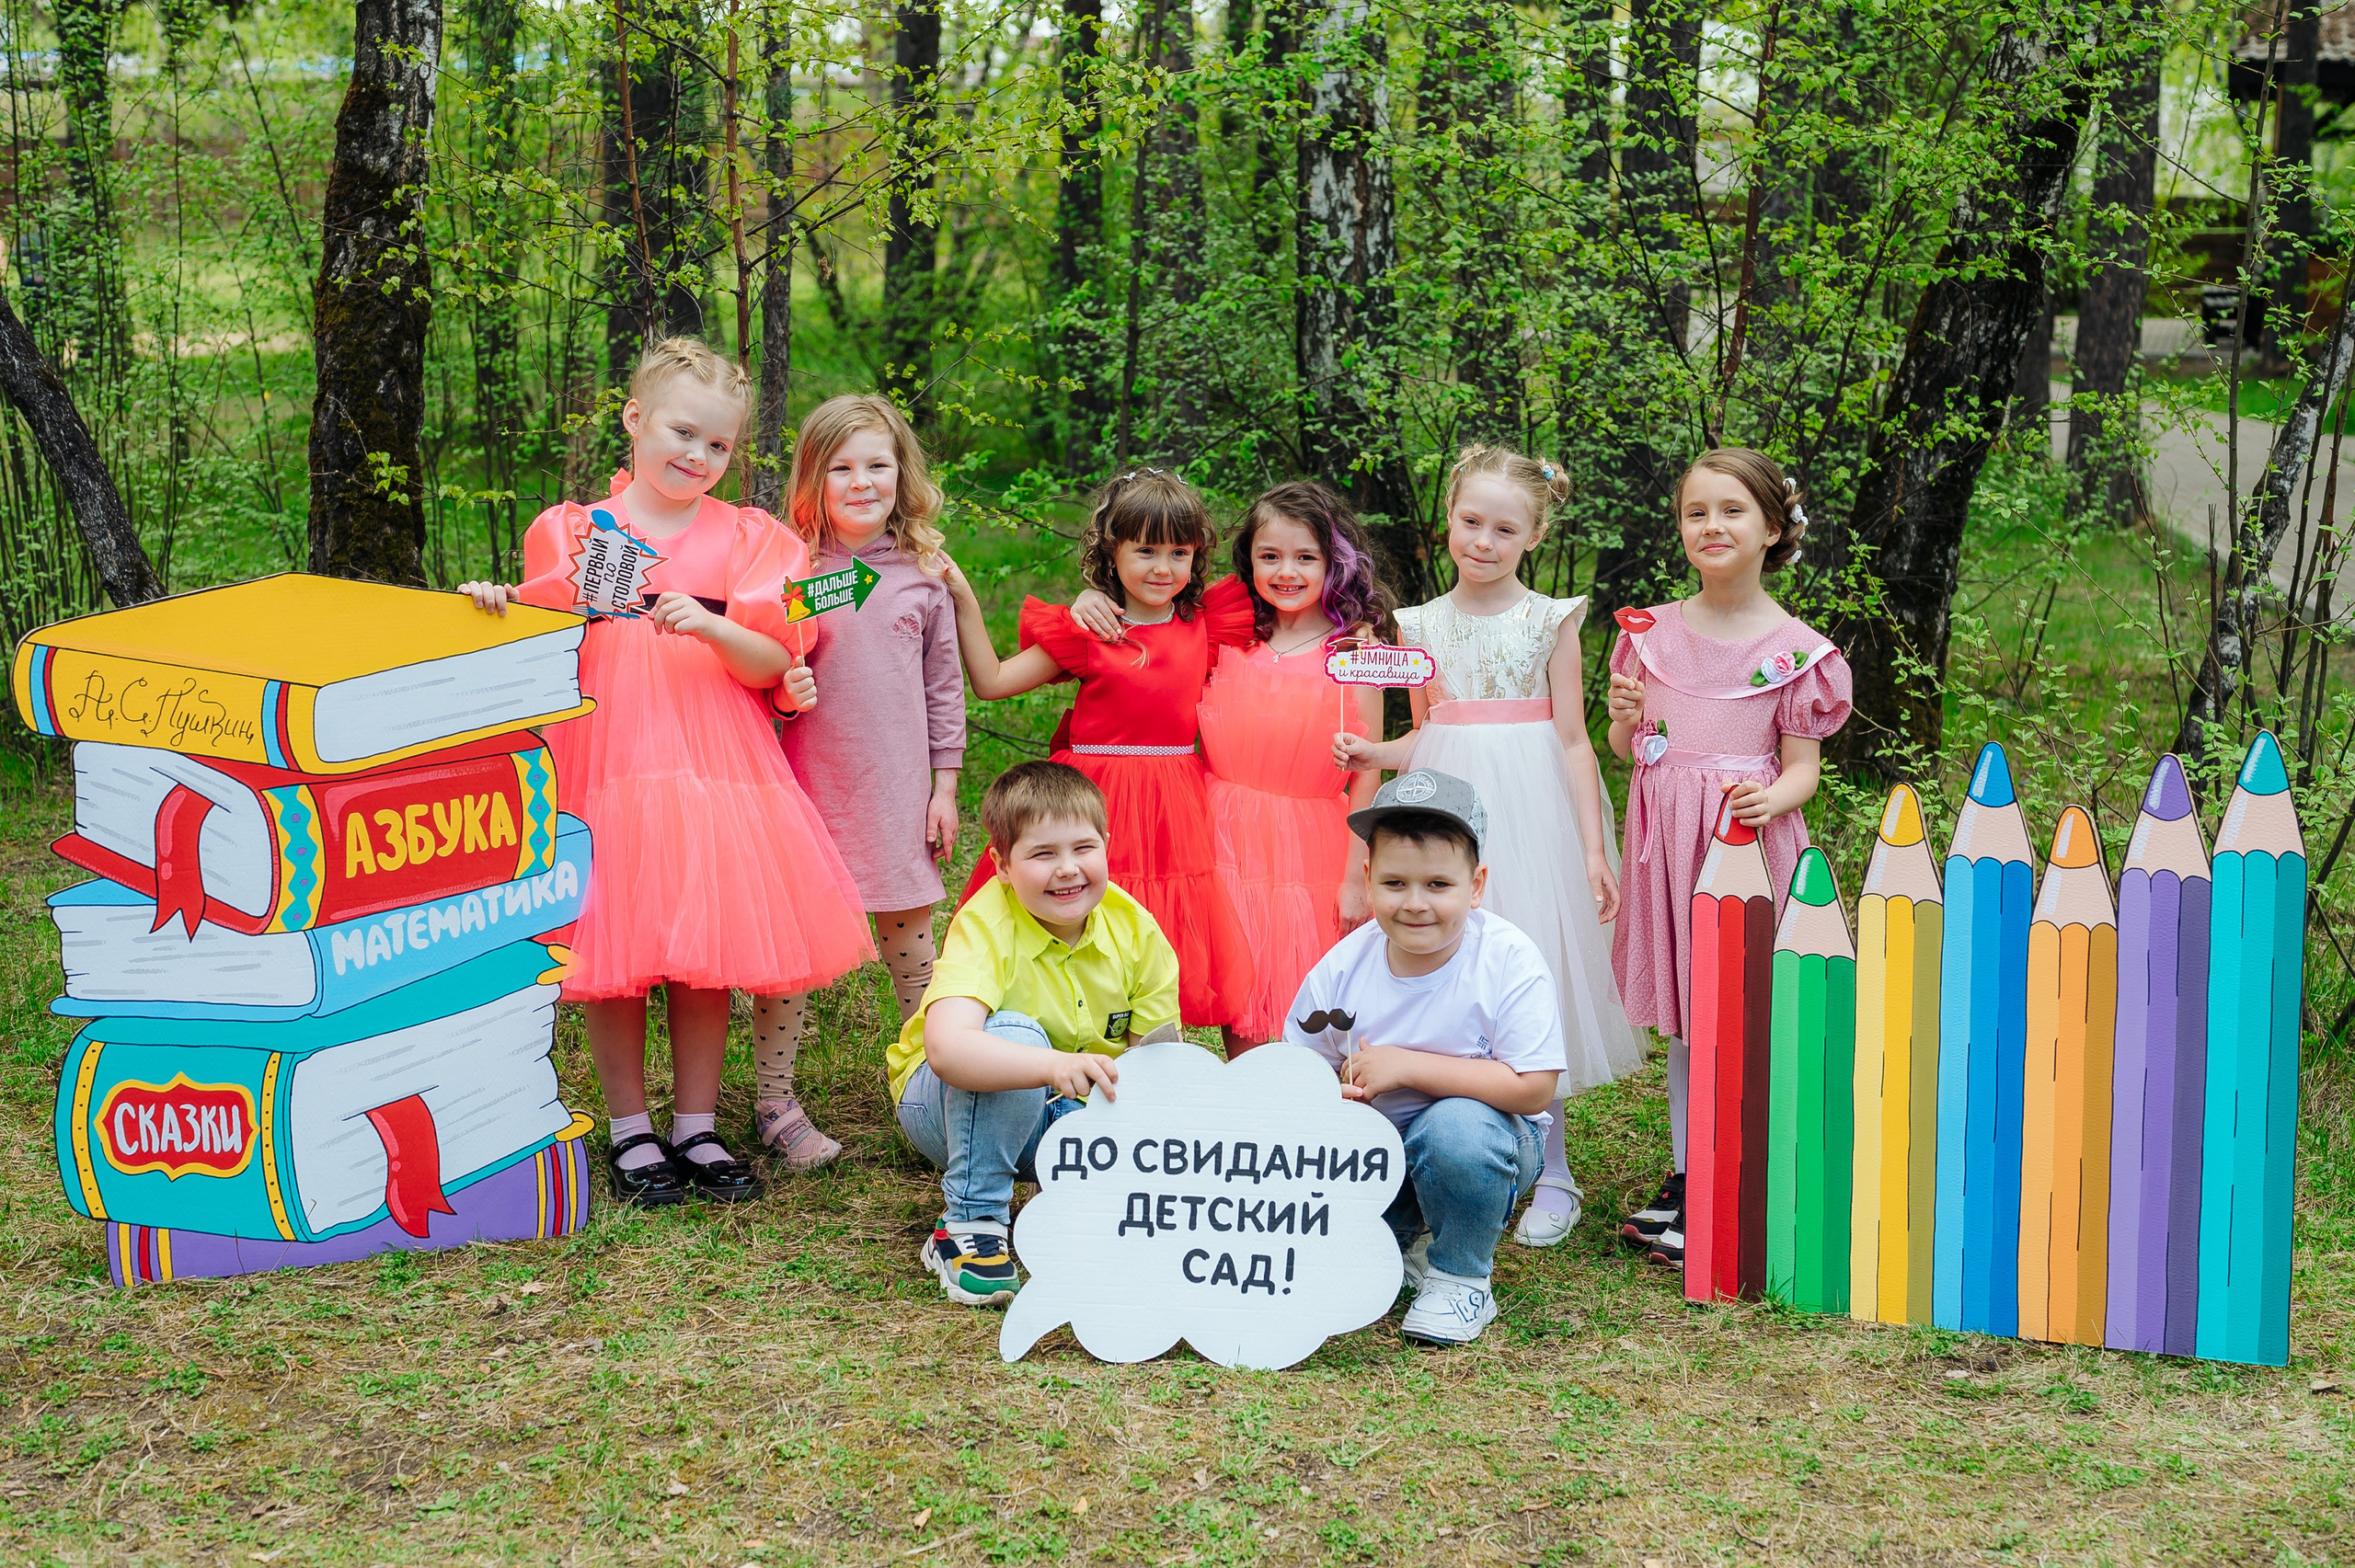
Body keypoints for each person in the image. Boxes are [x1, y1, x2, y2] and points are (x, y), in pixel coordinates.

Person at [460, 337, 874, 1207]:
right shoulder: (572, 530)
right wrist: (498, 605)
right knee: (613, 944)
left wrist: (713, 626)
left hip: (712, 763)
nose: (698, 457)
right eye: (683, 433)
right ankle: (629, 1128)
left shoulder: (750, 538)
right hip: (606, 755)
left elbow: (774, 659)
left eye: (719, 446)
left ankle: (696, 1125)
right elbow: (541, 632)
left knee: (703, 947)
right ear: (635, 420)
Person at [1335, 444, 1643, 1249]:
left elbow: (1575, 740)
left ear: (1533, 535)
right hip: (1453, 813)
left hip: (1531, 812)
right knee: (1454, 963)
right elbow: (1435, 730)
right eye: (1471, 521)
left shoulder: (1552, 619)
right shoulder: (1420, 626)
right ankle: (1446, 1146)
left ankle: (1556, 1169)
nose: (1484, 540)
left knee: (1532, 964)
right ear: (1448, 522)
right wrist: (1376, 755)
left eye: (1504, 528)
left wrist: (1589, 848)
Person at [1605, 447, 1853, 1266]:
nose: (1712, 525)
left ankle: (1745, 1173)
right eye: (1696, 512)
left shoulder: (1797, 653)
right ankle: (1686, 1174)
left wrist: (1768, 800)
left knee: (1742, 1014)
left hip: (1745, 850)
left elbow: (1804, 770)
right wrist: (1622, 716)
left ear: (1773, 527)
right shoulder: (1652, 636)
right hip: (1671, 849)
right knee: (1686, 1016)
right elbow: (1629, 749)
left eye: (1732, 510)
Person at [1066, 481, 1390, 1051]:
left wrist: (1355, 875)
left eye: (1305, 557)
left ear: (1333, 562)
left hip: (1309, 842)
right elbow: (1151, 619)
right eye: (1270, 556)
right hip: (1214, 833)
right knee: (1231, 994)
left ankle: (1295, 1114)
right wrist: (1087, 597)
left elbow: (1368, 769)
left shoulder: (1353, 654)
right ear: (1248, 561)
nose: (1286, 572)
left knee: (1297, 1003)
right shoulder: (1229, 632)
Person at [943, 469, 1254, 1030]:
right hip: (1091, 800)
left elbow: (1292, 619)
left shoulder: (1209, 627)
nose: (1163, 568)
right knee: (1082, 906)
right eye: (1145, 551)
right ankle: (1069, 1031)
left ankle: (1157, 1052)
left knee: (1167, 919)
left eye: (1179, 552)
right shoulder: (1090, 630)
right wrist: (964, 596)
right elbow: (990, 681)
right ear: (1112, 553)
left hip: (1172, 801)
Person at [751, 394, 965, 1171]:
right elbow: (758, 677)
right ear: (814, 477)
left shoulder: (922, 575)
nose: (862, 481)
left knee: (915, 950)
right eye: (841, 467)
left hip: (898, 791)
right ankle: (775, 1101)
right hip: (807, 790)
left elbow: (945, 688)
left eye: (878, 464)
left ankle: (940, 1086)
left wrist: (944, 788)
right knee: (795, 953)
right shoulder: (784, 569)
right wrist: (783, 689)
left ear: (902, 474)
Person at [1285, 769, 1563, 1346]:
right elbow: (1298, 1066)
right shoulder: (1343, 967)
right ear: (1368, 879)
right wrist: (1328, 1093)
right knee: (1335, 1269)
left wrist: (1407, 1066)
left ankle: (1460, 1276)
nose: (1415, 904)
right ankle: (1404, 1236)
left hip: (1490, 1143)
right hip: (1372, 1155)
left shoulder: (1508, 960)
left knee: (1456, 1126)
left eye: (1438, 884)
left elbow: (1535, 1088)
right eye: (1395, 883)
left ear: (1477, 884)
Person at [890, 761, 1184, 1305]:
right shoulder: (985, 924)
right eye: (1043, 854)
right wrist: (1051, 1067)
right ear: (1001, 865)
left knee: (1114, 1108)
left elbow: (1160, 1072)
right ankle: (970, 1225)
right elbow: (948, 1051)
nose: (1068, 870)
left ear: (1107, 844)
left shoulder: (1139, 932)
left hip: (1060, 1114)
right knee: (1018, 1036)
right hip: (944, 1108)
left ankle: (1077, 1204)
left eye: (1083, 848)